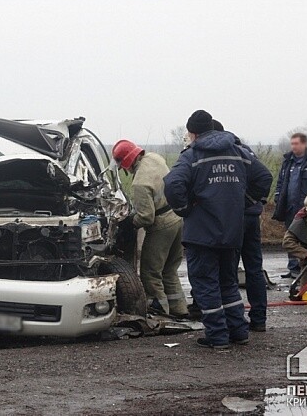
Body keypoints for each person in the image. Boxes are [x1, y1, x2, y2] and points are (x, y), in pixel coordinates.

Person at [164, 110, 270, 349]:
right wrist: (243, 203)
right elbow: (264, 177)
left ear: (193, 133)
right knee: (228, 283)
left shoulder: (191, 156)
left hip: (202, 233)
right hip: (233, 231)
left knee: (205, 283)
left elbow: (172, 184)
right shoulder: (239, 152)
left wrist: (184, 208)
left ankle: (217, 336)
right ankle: (239, 331)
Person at [111, 139, 190, 319]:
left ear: (126, 163)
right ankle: (179, 309)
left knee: (150, 273)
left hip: (162, 226)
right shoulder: (155, 158)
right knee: (169, 270)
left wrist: (128, 223)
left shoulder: (139, 183)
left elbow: (147, 217)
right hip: (178, 219)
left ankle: (160, 311)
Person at [213, 120, 273, 332]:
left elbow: (265, 177)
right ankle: (259, 319)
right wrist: (254, 201)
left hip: (235, 218)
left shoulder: (222, 153)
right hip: (251, 218)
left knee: (229, 272)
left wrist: (243, 201)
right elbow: (264, 177)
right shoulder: (245, 151)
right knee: (254, 268)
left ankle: (234, 321)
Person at [273, 133, 307, 278]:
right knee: (290, 236)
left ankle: (306, 267)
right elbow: (280, 182)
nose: (293, 147)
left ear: (304, 144)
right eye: (292, 144)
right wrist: (278, 197)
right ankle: (293, 267)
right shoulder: (287, 161)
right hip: (289, 207)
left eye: (296, 144)